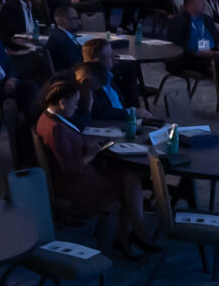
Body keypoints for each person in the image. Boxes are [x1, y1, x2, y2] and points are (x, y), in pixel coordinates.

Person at [34, 81, 155, 260]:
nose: (76, 108)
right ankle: (134, 235)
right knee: (131, 179)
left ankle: (131, 235)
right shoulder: (57, 130)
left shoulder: (48, 118)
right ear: (62, 103)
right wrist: (92, 153)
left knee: (130, 175)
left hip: (70, 178)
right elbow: (72, 168)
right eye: (74, 103)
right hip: (77, 185)